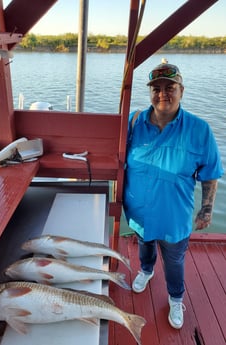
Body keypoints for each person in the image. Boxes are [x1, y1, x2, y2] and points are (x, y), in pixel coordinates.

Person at [123, 61, 224, 329]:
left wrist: (206, 209)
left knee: (175, 260)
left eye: (170, 87)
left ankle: (176, 297)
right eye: (156, 88)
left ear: (182, 90)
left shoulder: (199, 129)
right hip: (138, 211)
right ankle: (146, 270)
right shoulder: (133, 123)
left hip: (174, 215)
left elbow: (210, 172)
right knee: (144, 244)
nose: (162, 93)